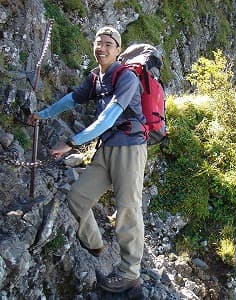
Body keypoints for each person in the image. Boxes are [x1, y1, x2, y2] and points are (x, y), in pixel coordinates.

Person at [28, 26, 147, 295]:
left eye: (108, 43)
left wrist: (71, 144)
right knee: (77, 199)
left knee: (127, 207)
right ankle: (95, 245)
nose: (101, 48)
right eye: (98, 42)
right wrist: (42, 114)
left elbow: (108, 118)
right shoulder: (96, 78)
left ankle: (130, 273)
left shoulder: (126, 78)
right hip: (106, 147)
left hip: (130, 147)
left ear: (118, 50)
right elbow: (71, 100)